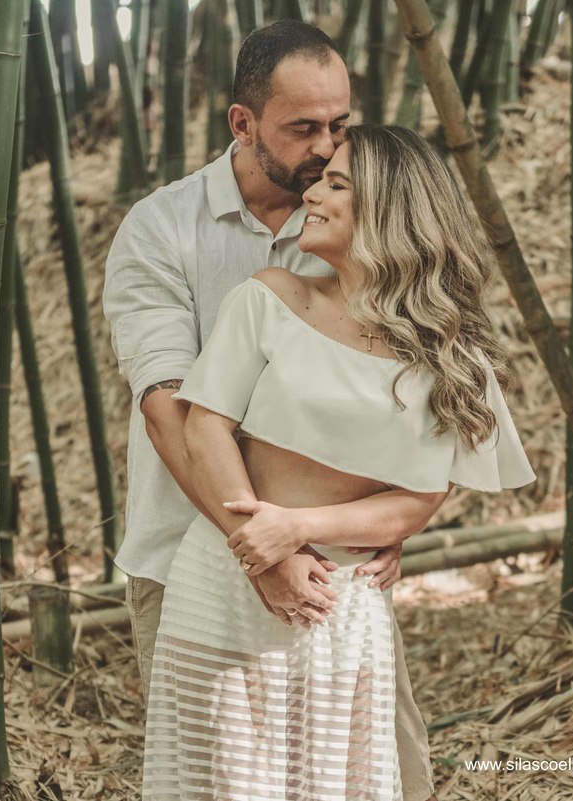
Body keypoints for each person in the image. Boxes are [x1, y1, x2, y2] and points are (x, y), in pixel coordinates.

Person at [140, 125, 536, 799]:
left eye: (337, 184)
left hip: (341, 604)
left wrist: (294, 530)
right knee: (222, 783)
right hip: (225, 581)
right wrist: (263, 549)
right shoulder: (269, 298)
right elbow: (205, 427)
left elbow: (417, 497)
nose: (313, 193)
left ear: (388, 211)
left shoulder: (447, 353)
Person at [103, 20, 435, 801]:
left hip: (332, 570)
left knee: (386, 776)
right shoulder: (160, 230)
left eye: (340, 125)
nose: (326, 147)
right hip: (189, 551)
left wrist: (384, 521)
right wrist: (262, 548)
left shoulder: (366, 223)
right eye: (303, 128)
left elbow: (394, 399)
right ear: (242, 124)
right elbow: (168, 411)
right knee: (220, 782)